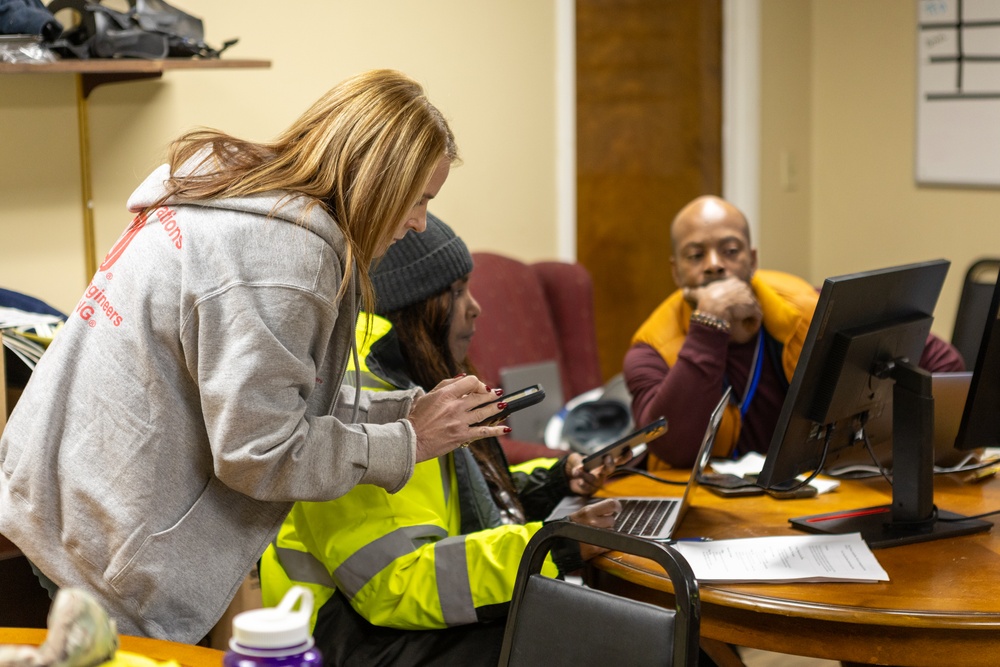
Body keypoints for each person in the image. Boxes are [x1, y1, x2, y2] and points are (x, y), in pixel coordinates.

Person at [0, 70, 513, 643]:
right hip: (100, 544)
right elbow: (258, 453)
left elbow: (273, 398)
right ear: (377, 180)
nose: (418, 222)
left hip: (60, 502)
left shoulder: (244, 209)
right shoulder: (283, 258)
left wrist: (404, 415)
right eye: (419, 200)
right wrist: (409, 444)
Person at [259, 213, 625, 667]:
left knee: (605, 632)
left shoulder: (409, 376)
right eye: (456, 292)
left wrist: (554, 481)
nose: (475, 308)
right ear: (415, 305)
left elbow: (451, 509)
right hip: (340, 638)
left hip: (386, 621)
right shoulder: (360, 395)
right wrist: (553, 546)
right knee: (593, 641)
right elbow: (396, 585)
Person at [624, 194, 965, 469]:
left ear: (752, 260)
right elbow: (673, 449)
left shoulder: (810, 310)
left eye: (730, 251)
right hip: (707, 510)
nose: (714, 264)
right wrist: (709, 325)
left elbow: (944, 365)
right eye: (695, 255)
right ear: (676, 272)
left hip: (816, 495)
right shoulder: (649, 349)